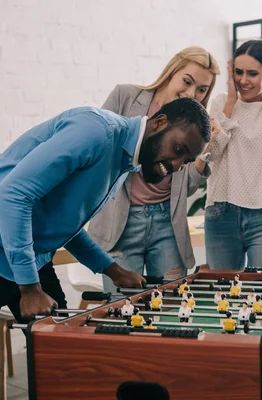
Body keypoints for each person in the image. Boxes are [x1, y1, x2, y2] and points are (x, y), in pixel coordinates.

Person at [0, 97, 211, 400]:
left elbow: (63, 222)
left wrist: (112, 270)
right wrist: (29, 289)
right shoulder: (96, 131)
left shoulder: (124, 161)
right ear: (159, 123)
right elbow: (13, 194)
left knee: (63, 352)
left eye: (184, 161)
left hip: (23, 249)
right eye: (177, 149)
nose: (174, 166)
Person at [88, 47, 220, 294]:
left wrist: (204, 151)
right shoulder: (126, 97)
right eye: (187, 81)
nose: (192, 94)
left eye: (202, 89)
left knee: (172, 308)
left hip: (166, 226)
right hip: (120, 224)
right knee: (124, 310)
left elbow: (187, 187)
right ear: (172, 71)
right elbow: (100, 145)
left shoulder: (196, 126)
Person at [206, 39, 262, 270]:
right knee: (224, 297)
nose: (243, 80)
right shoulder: (220, 104)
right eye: (238, 72)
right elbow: (213, 155)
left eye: (252, 73)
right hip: (221, 213)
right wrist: (229, 102)